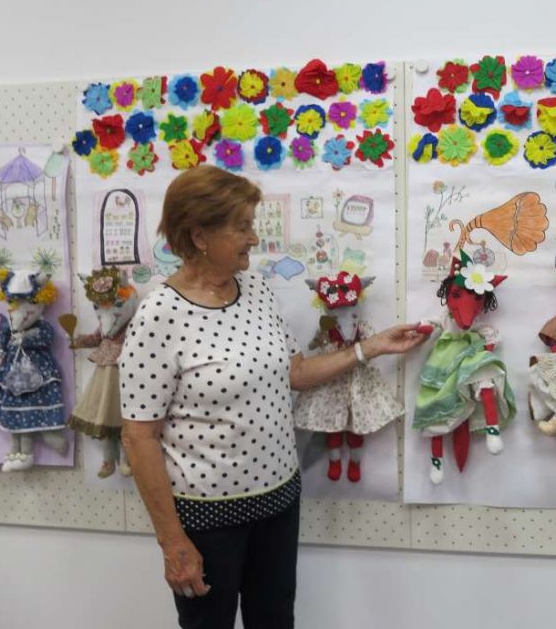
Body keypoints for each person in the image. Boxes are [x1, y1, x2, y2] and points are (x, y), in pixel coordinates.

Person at [120, 166, 428, 628]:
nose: (253, 237)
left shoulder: (256, 290)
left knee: (276, 620)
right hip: (207, 518)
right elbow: (138, 436)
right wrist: (172, 541)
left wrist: (371, 347)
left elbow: (295, 373)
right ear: (200, 236)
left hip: (278, 502)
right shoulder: (159, 315)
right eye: (242, 226)